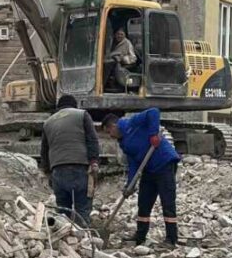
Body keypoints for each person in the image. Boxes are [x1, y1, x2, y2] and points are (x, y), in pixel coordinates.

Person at [103, 107, 180, 246]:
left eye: (109, 132)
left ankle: (171, 238)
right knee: (144, 203)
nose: (110, 136)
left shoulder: (133, 122)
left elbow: (154, 112)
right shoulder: (124, 143)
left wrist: (153, 134)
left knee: (167, 202)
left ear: (113, 126)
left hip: (164, 163)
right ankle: (140, 236)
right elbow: (133, 164)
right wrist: (130, 185)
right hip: (149, 170)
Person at [39, 94, 100, 226]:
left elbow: (44, 151)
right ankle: (84, 240)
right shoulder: (82, 114)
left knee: (62, 211)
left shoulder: (48, 122)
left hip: (57, 170)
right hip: (80, 167)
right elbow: (92, 139)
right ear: (74, 105)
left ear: (58, 107)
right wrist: (94, 161)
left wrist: (48, 172)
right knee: (82, 210)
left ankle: (65, 242)